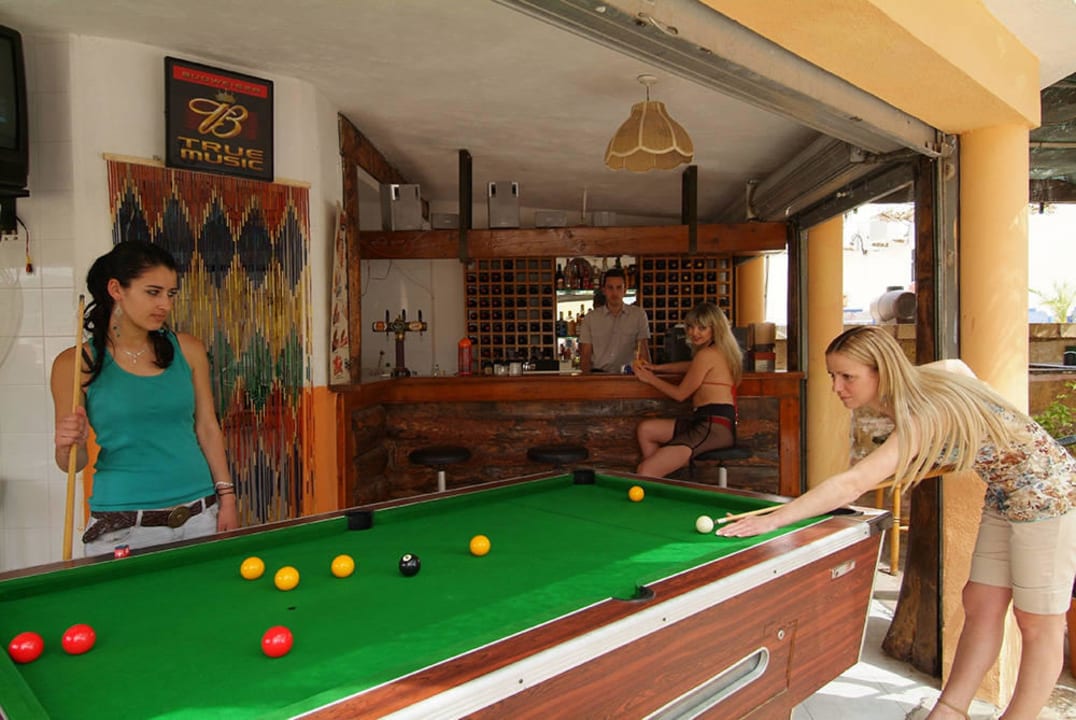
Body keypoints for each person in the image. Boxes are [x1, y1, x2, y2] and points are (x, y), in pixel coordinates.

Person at [718, 325, 1076, 720]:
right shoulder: (934, 377)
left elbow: (853, 483)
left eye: (848, 376)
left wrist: (776, 519)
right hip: (1002, 492)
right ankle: (950, 711)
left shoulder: (923, 414)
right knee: (980, 602)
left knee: (1038, 623)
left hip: (1051, 495)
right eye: (833, 375)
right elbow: (958, 368)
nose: (837, 387)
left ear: (882, 372)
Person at [51, 241, 239, 555]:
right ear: (116, 289)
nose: (165, 304)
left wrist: (227, 497)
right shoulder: (74, 364)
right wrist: (66, 444)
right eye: (153, 292)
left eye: (171, 294)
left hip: (200, 515)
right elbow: (72, 463)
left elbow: (207, 427)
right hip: (123, 528)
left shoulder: (188, 349)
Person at [633, 302, 743, 478]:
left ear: (715, 329)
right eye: (691, 327)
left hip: (713, 428)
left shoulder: (706, 355)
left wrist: (650, 378)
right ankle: (661, 478)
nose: (694, 333)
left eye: (702, 328)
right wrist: (657, 368)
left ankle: (656, 475)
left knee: (645, 470)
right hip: (710, 423)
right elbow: (690, 366)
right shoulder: (718, 351)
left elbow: (680, 394)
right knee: (647, 429)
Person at [578, 267, 650, 373]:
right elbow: (585, 356)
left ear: (625, 290)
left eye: (619, 287)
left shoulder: (638, 315)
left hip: (628, 377)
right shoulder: (590, 318)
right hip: (598, 377)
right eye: (610, 288)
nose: (614, 292)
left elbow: (643, 351)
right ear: (604, 290)